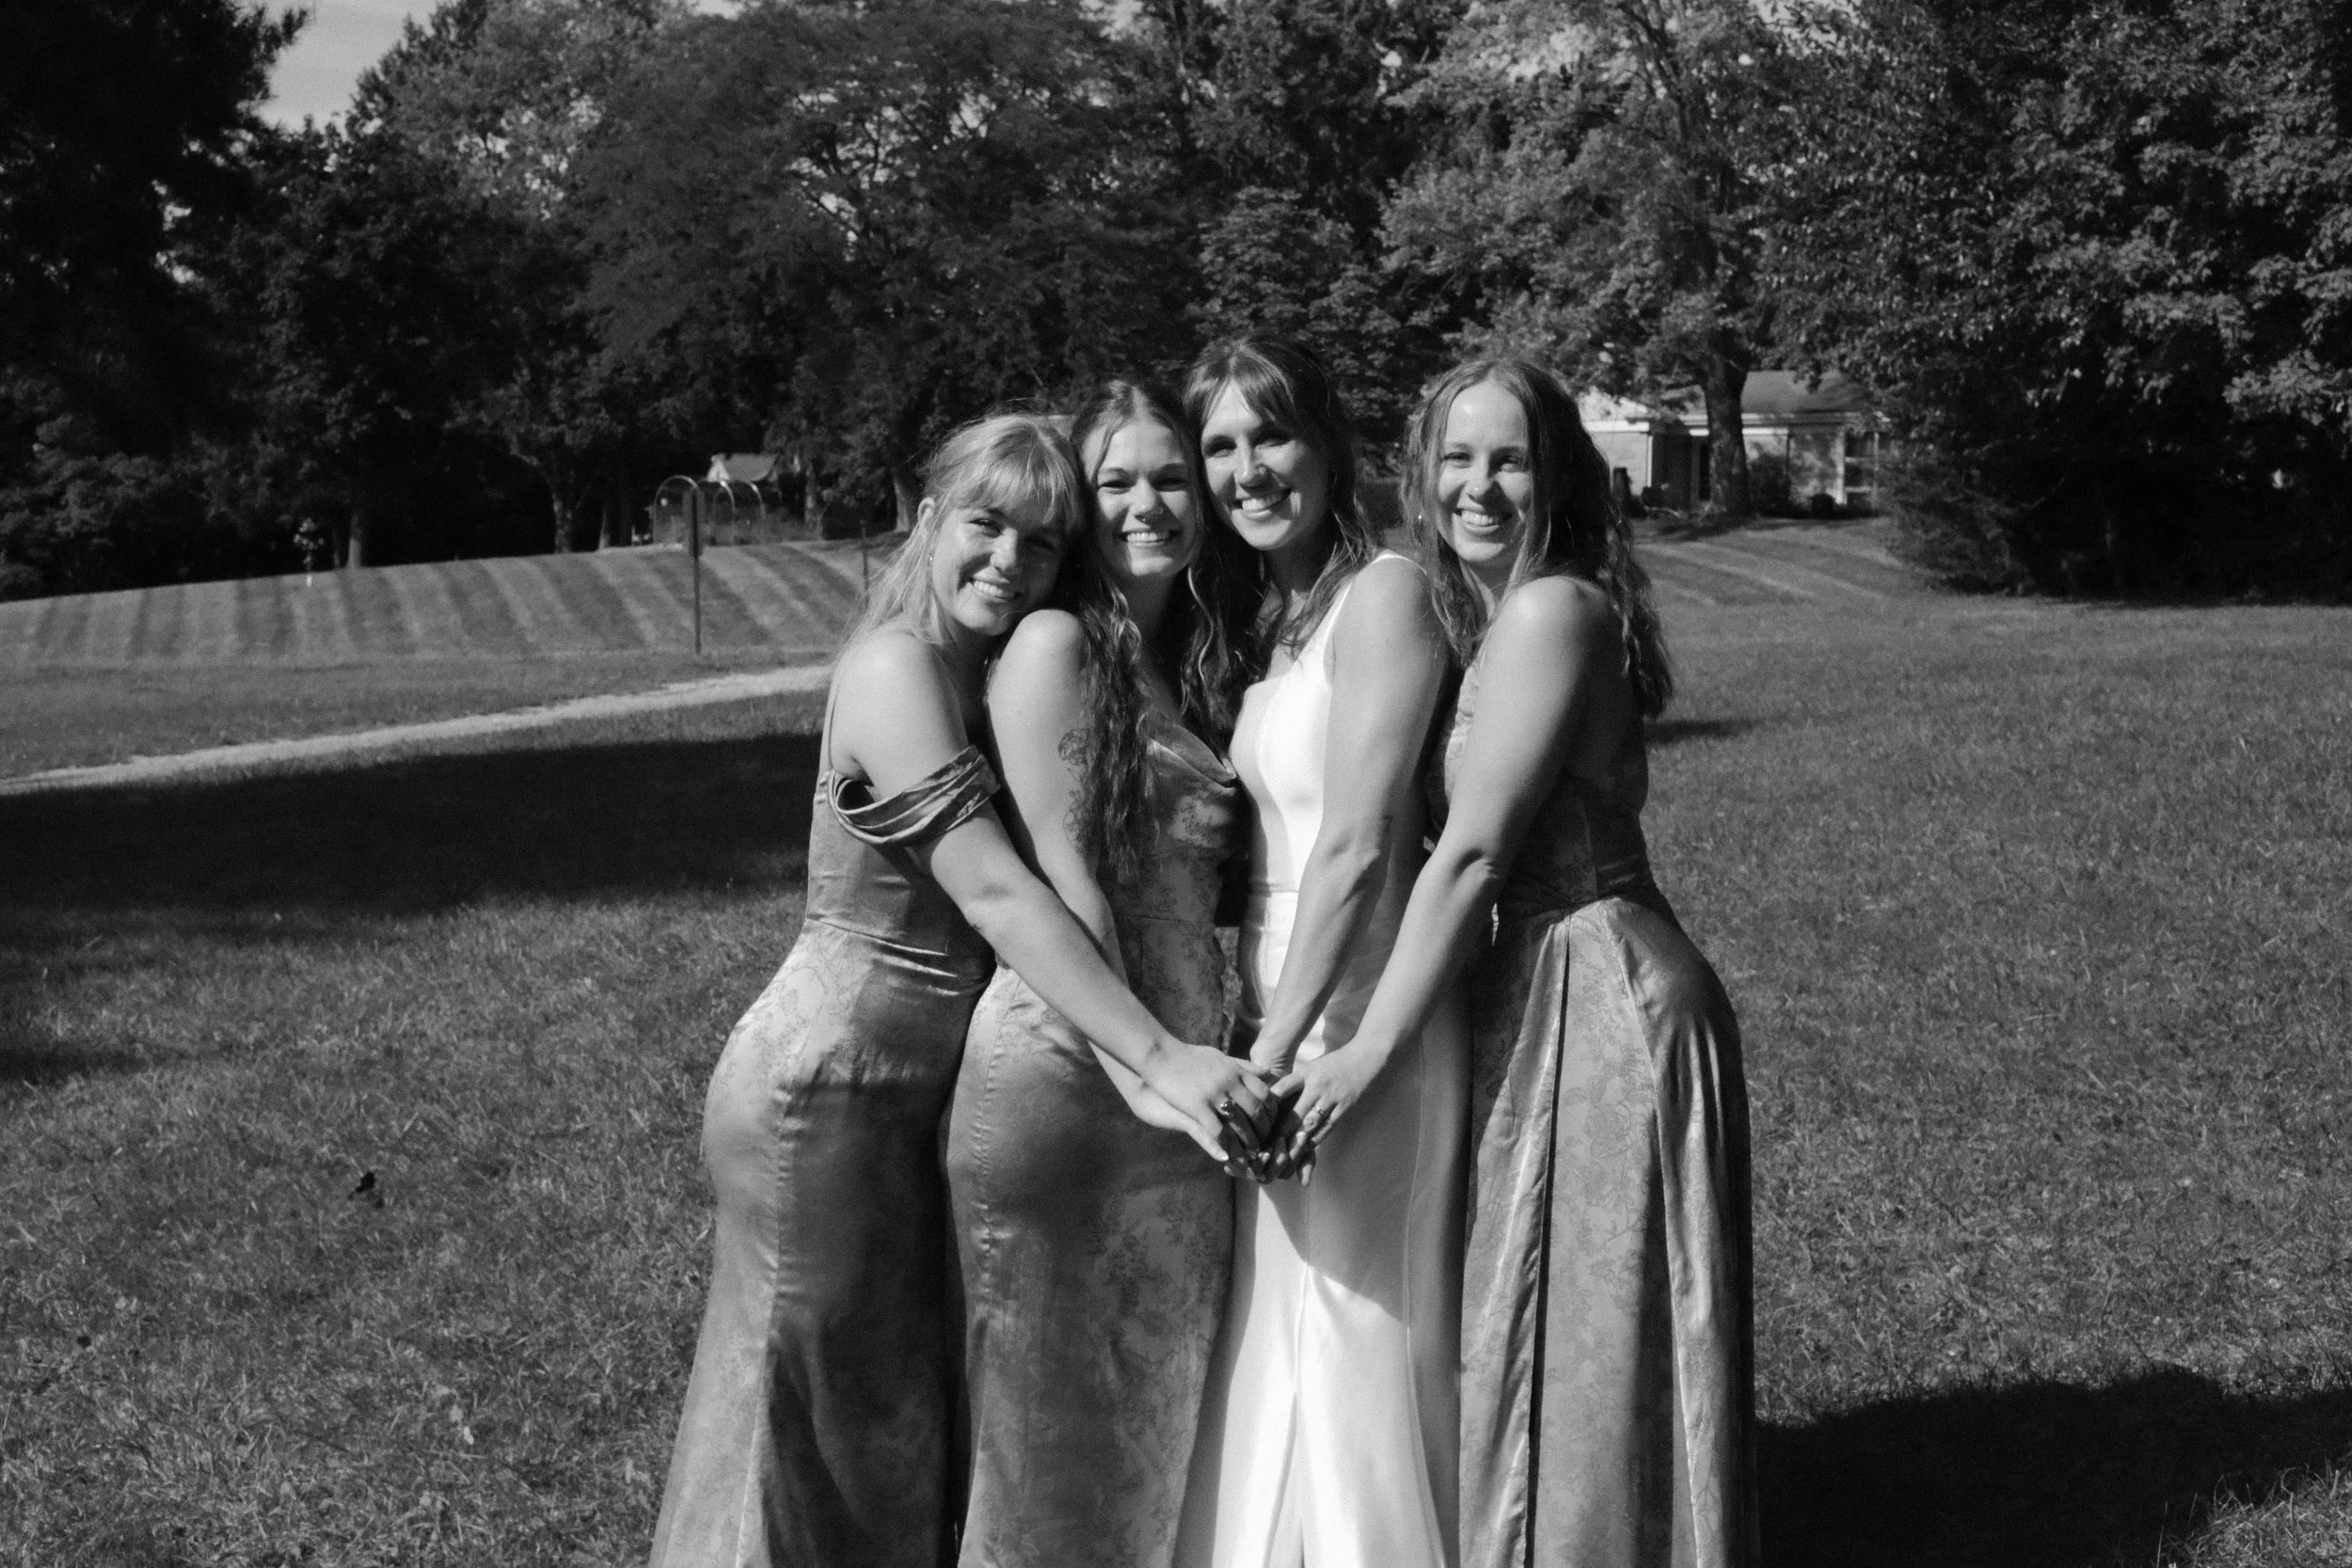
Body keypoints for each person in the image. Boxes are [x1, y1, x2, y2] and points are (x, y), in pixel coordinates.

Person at [647, 413, 1271, 1568]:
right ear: (928, 518)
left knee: (884, 1425)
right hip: (825, 1090)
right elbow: (994, 890)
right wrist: (1155, 1056)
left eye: (1041, 544)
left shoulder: (969, 668)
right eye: (986, 524)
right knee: (794, 1430)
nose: (1010, 561)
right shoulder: (891, 667)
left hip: (907, 1089)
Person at [1336, 358, 1758, 1568]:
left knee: (1585, 1331)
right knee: (1533, 1316)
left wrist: (1368, 1049)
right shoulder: (1486, 617)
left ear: (1558, 472)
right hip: (1533, 982)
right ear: (1421, 475)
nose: (1479, 485)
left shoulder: (1549, 612)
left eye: (1508, 458)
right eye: (1456, 458)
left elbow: (1470, 853)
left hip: (1603, 992)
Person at [947, 380, 1260, 1567]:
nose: (1148, 502)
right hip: (1080, 1072)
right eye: (1116, 481)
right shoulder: (1053, 642)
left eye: (1170, 477)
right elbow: (1065, 877)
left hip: (1174, 1083)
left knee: (1145, 1429)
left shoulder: (1183, 655)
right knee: (1048, 1452)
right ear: (1082, 504)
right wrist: (1148, 1062)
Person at [1173, 338, 1466, 1568]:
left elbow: (1353, 843)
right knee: (1282, 1316)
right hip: (1275, 998)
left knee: (1360, 1322)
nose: (1248, 469)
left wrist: (1276, 1048)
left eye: (1272, 436)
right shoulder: (1276, 618)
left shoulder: (1386, 594)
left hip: (1356, 1007)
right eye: (1223, 446)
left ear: (1330, 444)